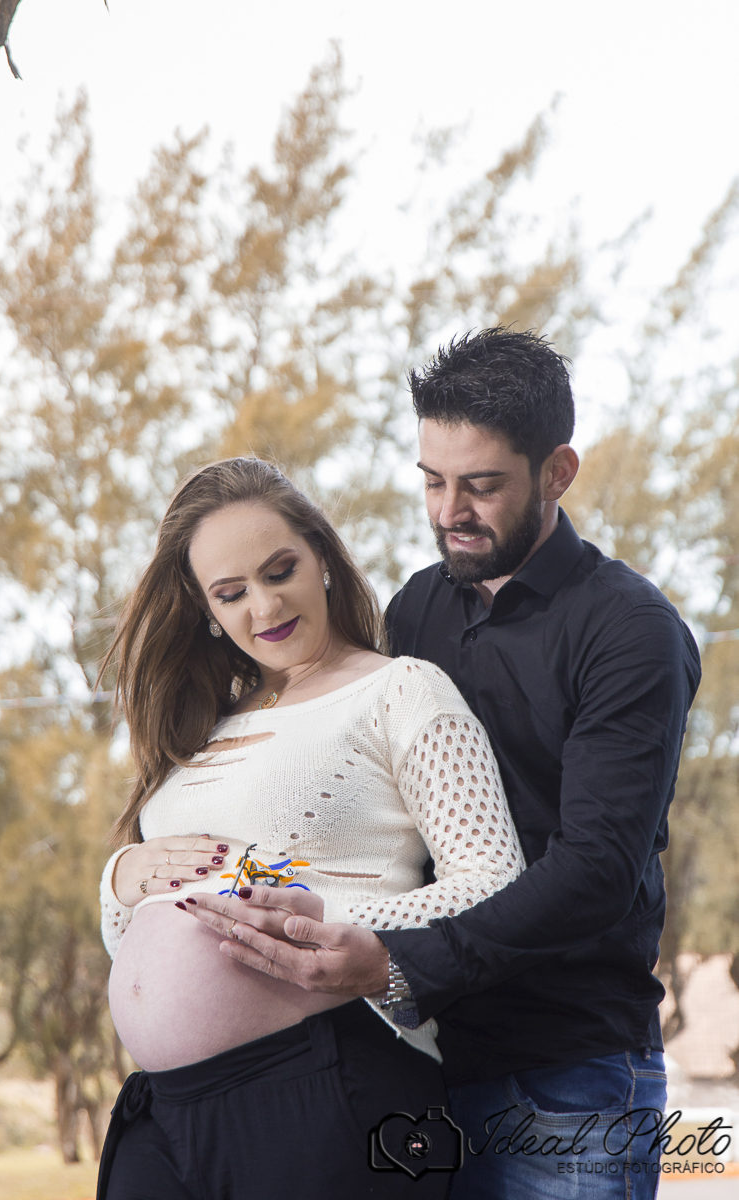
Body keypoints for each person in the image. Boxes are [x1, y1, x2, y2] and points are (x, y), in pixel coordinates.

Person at [186, 330, 702, 1199]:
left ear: (558, 471)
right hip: (413, 1059)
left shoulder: (630, 632)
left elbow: (594, 870)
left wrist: (395, 962)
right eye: (432, 480)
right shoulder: (414, 609)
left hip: (565, 1067)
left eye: (482, 485)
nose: (448, 510)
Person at [96, 456, 524, 1200]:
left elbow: (495, 886)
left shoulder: (400, 689)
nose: (264, 607)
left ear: (321, 557)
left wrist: (329, 921)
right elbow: (141, 931)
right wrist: (120, 878)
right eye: (231, 593)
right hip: (167, 1111)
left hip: (323, 1076)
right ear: (206, 609)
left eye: (279, 570)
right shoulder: (201, 728)